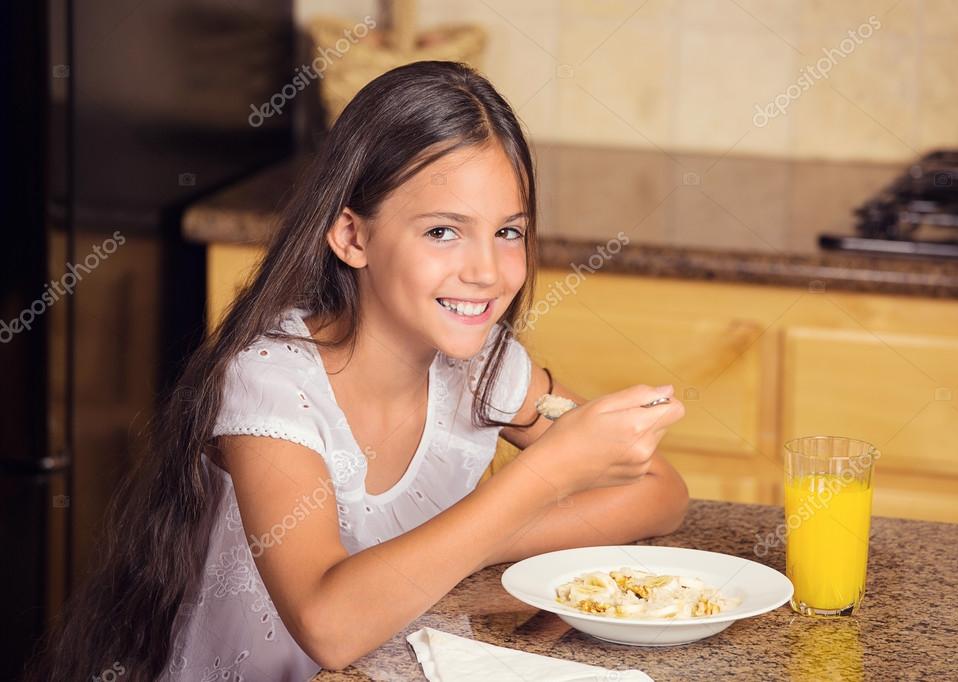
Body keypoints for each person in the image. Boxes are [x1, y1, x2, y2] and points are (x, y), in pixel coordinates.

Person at [26, 60, 688, 681]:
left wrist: (478, 540)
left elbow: (659, 492)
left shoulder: (483, 368)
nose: (486, 271)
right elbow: (328, 627)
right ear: (352, 236)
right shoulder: (270, 382)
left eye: (508, 232)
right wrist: (546, 476)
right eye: (442, 232)